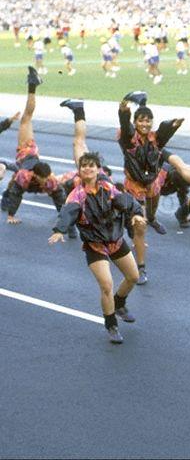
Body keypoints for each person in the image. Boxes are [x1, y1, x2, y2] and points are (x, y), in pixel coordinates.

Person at [48, 152, 145, 344]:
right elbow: (67, 213)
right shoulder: (77, 195)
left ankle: (119, 304)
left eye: (91, 165)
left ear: (98, 168)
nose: (87, 168)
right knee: (106, 285)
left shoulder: (107, 187)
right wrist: (60, 230)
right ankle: (111, 325)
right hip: (95, 246)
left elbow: (125, 201)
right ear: (79, 170)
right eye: (84, 165)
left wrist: (135, 214)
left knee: (133, 277)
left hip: (115, 240)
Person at [117, 91, 184, 284]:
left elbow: (165, 131)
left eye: (148, 121)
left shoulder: (156, 139)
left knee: (151, 212)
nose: (145, 124)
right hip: (134, 185)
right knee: (140, 226)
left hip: (152, 182)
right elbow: (124, 122)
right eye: (141, 121)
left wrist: (175, 125)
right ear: (135, 122)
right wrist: (124, 108)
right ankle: (141, 267)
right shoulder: (128, 138)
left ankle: (153, 218)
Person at [1, 68, 67, 228]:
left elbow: (58, 197)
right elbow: (17, 192)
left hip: (27, 154)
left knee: (26, 119)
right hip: (27, 153)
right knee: (26, 119)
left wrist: (64, 220)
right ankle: (32, 86)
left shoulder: (45, 180)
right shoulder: (26, 176)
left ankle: (33, 85)